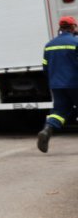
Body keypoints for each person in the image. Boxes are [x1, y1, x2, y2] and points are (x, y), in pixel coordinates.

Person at [38, 15, 78, 153]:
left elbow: (45, 67)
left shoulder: (49, 45)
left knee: (59, 111)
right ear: (73, 27)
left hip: (57, 85)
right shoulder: (76, 42)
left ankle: (47, 129)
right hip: (75, 83)